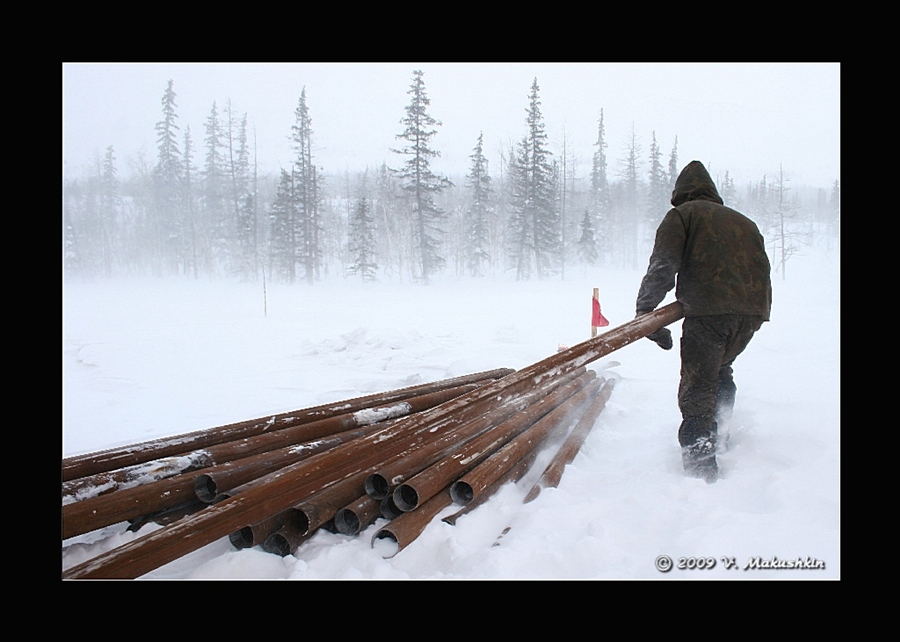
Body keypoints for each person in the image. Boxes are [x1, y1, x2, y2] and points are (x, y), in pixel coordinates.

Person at [635, 160, 772, 483]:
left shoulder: (683, 215)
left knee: (698, 386)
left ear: (679, 194)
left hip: (709, 313)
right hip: (752, 312)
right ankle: (721, 432)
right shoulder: (745, 222)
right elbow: (762, 267)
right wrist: (753, 311)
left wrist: (645, 312)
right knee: (720, 370)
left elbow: (663, 264)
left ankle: (701, 471)